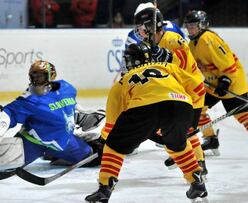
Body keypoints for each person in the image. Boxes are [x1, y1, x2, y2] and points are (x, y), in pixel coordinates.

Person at [86, 43, 208, 203]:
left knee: (114, 146)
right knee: (177, 145)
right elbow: (199, 88)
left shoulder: (122, 82)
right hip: (180, 105)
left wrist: (105, 141)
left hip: (144, 109)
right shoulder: (167, 68)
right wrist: (191, 117)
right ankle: (197, 182)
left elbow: (111, 124)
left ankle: (104, 188)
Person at [0, 60, 105, 174]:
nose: (35, 80)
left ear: (51, 76)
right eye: (33, 76)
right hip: (32, 143)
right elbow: (10, 113)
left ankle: (56, 155)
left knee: (92, 155)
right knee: (2, 163)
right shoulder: (29, 99)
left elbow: (72, 106)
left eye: (40, 76)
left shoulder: (67, 87)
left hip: (65, 141)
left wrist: (84, 119)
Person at [118, 2, 208, 174]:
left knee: (184, 132)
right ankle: (194, 161)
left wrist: (168, 56)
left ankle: (198, 164)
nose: (139, 31)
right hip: (178, 92)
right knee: (178, 131)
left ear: (153, 26)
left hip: (191, 92)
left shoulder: (172, 39)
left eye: (143, 27)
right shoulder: (152, 44)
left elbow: (184, 64)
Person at [184, 10, 248, 155]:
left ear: (202, 25)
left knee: (244, 117)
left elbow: (228, 62)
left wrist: (225, 81)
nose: (190, 28)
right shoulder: (193, 44)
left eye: (193, 25)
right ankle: (210, 138)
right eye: (188, 26)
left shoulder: (208, 38)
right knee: (197, 108)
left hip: (232, 84)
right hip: (213, 86)